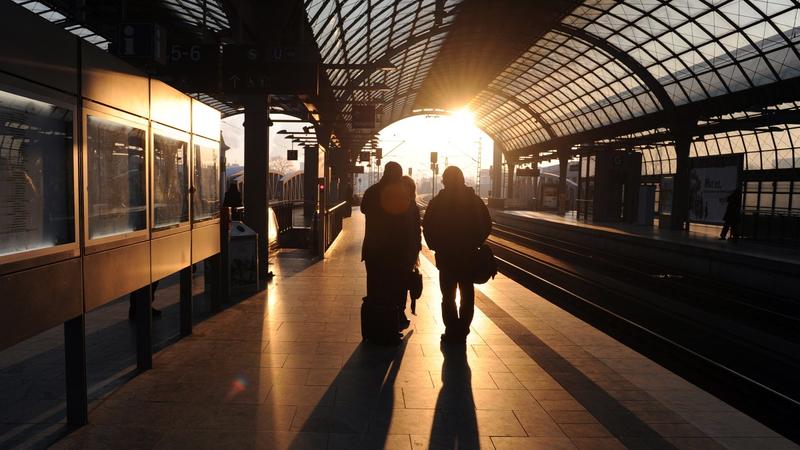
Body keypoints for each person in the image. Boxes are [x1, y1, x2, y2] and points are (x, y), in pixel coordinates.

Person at [423, 166, 491, 345]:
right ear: (462, 179)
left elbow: (427, 226)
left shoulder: (438, 202)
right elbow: (487, 224)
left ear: (444, 180)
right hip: (468, 256)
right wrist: (475, 242)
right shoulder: (474, 200)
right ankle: (463, 329)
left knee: (448, 295)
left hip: (446, 257)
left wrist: (436, 246)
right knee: (467, 293)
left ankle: (451, 329)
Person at [361, 162, 419, 329]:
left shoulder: (371, 191)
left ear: (385, 172)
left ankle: (375, 324)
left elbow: (364, 209)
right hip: (398, 251)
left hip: (374, 250)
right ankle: (396, 320)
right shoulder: (404, 194)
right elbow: (411, 222)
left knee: (375, 287)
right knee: (398, 287)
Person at [400, 175, 422, 326]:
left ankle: (399, 313)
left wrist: (417, 247)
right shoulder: (411, 205)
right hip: (405, 250)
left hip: (406, 251)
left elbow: (416, 229)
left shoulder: (408, 205)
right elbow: (416, 229)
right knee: (401, 284)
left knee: (401, 283)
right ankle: (399, 313)